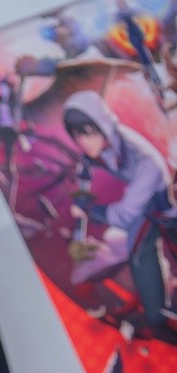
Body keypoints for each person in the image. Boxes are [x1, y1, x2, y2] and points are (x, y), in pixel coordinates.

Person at [62, 90, 177, 345]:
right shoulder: (101, 147)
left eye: (88, 133)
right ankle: (158, 319)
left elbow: (124, 215)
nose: (83, 142)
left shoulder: (144, 161)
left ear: (103, 127)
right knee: (142, 263)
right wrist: (83, 188)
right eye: (78, 135)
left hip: (164, 211)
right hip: (143, 214)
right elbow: (85, 169)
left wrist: (90, 209)